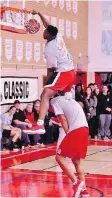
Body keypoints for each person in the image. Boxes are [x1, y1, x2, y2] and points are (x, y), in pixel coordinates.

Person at [31, 12, 76, 133]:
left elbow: (51, 70)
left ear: (49, 35)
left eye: (45, 32)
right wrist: (40, 14)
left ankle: (40, 124)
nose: (43, 32)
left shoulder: (50, 49)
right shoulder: (57, 35)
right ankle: (61, 119)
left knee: (45, 94)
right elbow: (48, 24)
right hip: (72, 72)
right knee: (58, 98)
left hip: (64, 73)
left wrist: (46, 84)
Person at [50, 95, 89, 197]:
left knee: (58, 157)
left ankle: (76, 182)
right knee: (76, 161)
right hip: (85, 129)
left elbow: (63, 120)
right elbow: (64, 119)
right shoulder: (70, 101)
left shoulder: (55, 100)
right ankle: (84, 191)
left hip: (76, 130)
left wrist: (68, 135)